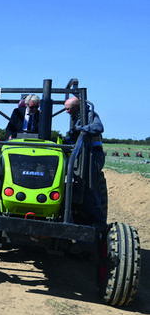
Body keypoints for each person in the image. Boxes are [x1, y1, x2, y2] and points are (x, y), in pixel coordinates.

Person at [64, 96, 106, 230]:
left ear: (76, 107)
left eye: (68, 109)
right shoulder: (77, 116)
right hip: (83, 153)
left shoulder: (90, 114)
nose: (66, 112)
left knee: (89, 187)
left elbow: (98, 127)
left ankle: (98, 225)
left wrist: (82, 129)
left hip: (92, 154)